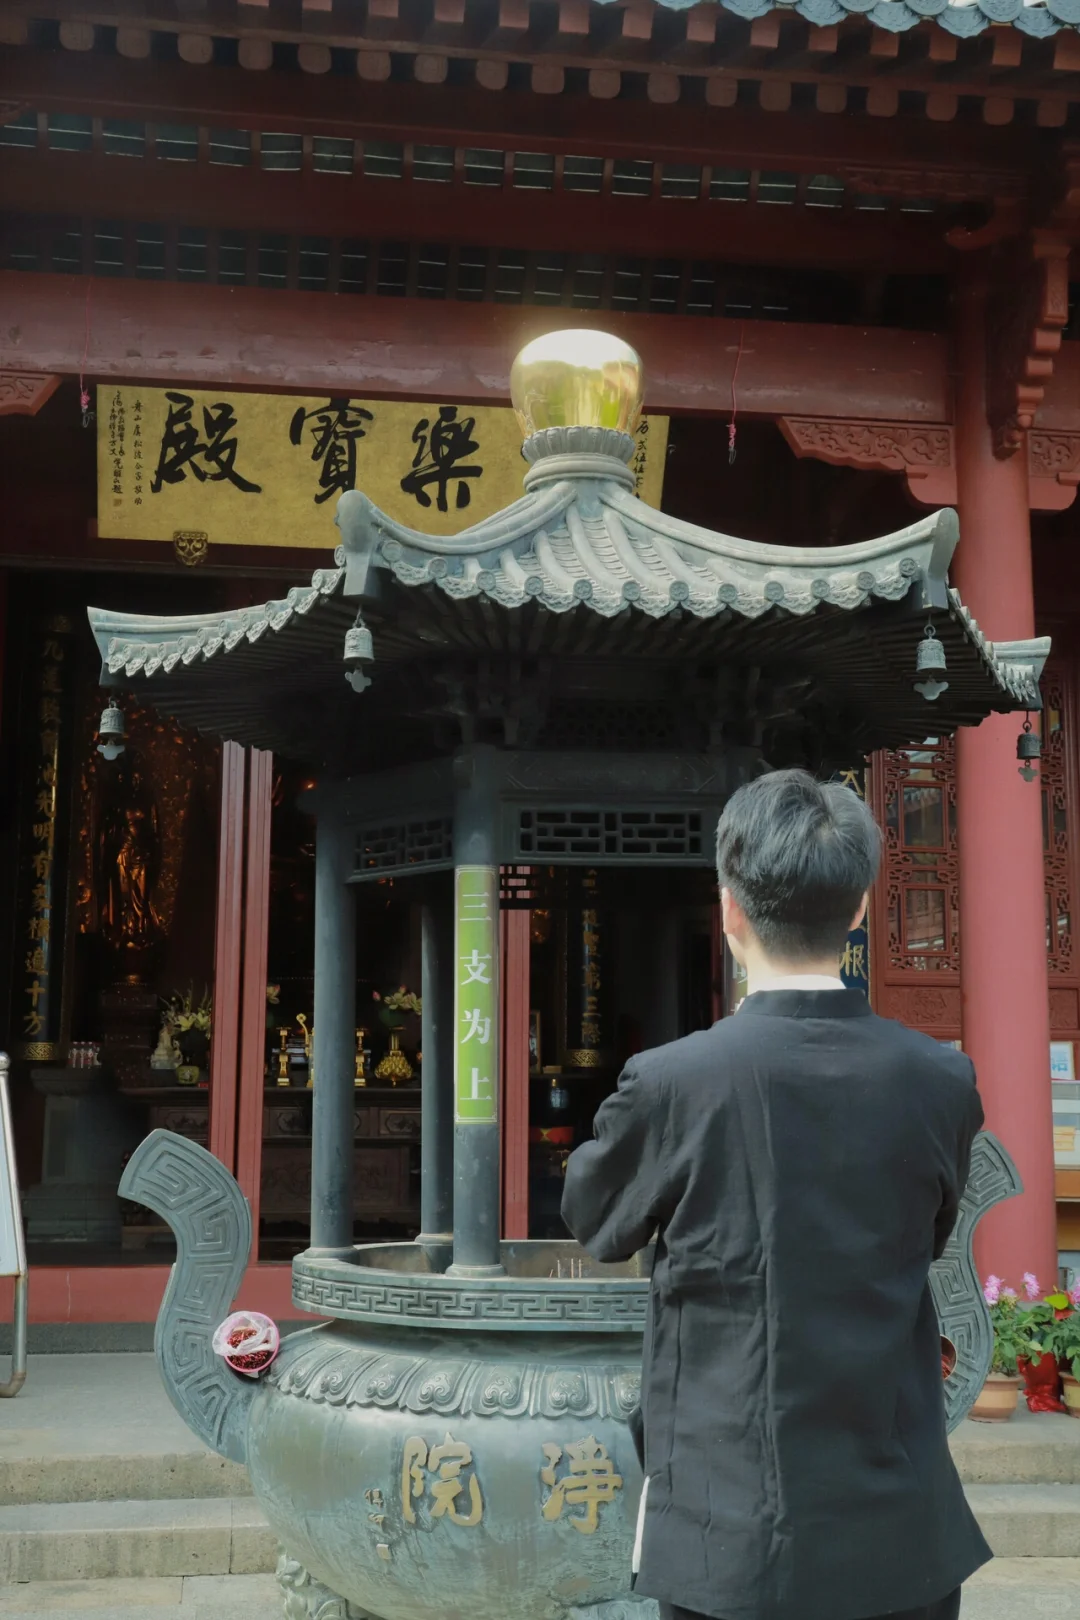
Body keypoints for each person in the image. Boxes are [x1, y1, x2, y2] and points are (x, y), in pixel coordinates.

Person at [562, 769, 989, 1620]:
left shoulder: (673, 1082)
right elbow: (932, 1233)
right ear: (861, 909)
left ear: (729, 911)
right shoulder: (942, 1079)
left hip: (728, 1527)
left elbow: (595, 1221)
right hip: (899, 1521)